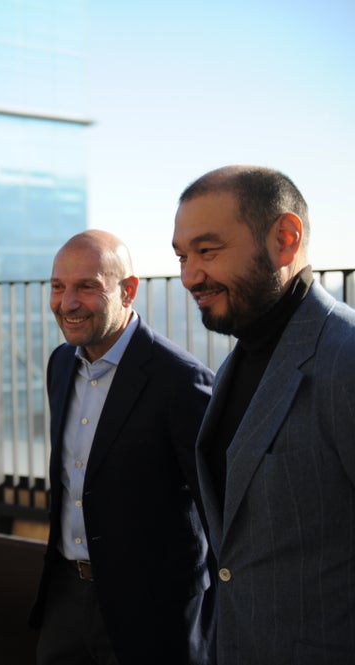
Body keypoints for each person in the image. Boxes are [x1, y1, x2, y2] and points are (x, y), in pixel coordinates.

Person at [173, 165, 355, 664]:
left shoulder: (346, 357)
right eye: (182, 256)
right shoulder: (237, 362)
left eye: (208, 251)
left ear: (285, 239)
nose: (190, 276)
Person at [29, 230, 215, 665]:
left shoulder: (182, 381)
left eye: (86, 286)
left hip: (152, 615)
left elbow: (219, 515)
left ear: (128, 290)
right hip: (65, 599)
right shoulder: (60, 363)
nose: (67, 303)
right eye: (58, 286)